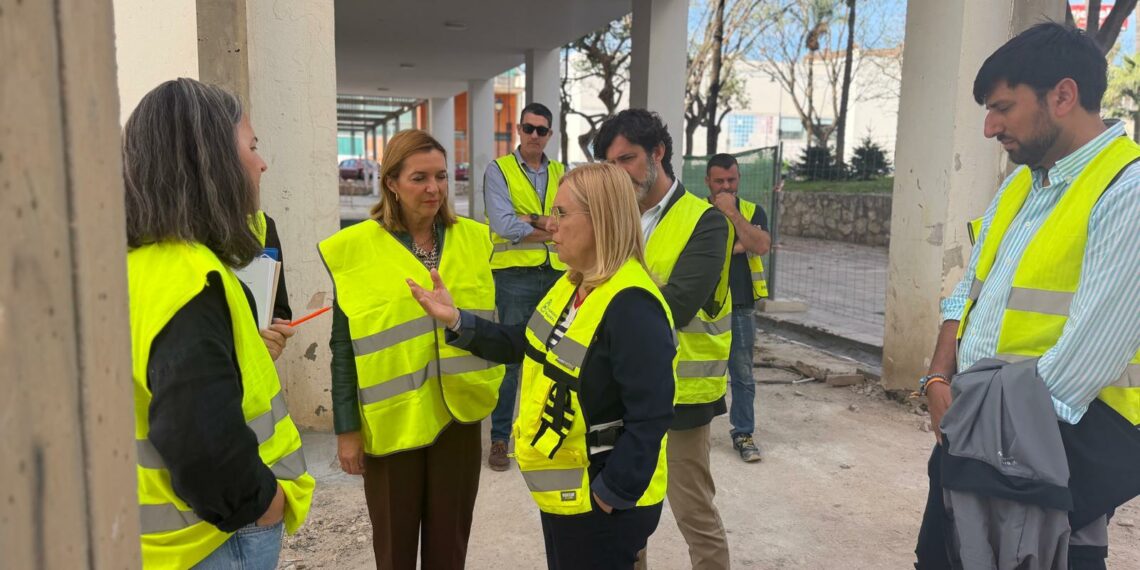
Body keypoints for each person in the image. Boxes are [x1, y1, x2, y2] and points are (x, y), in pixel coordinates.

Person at [915, 23, 1140, 570]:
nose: (990, 127)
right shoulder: (1020, 185)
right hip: (984, 433)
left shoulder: (1126, 191)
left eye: (1003, 108)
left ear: (1062, 96)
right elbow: (967, 291)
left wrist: (978, 427)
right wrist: (937, 378)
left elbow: (1083, 366)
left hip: (1058, 446)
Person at [408, 163, 676, 570]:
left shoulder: (633, 304)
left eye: (563, 213)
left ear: (601, 220)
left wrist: (610, 494)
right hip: (568, 495)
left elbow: (651, 415)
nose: (551, 225)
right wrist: (456, 319)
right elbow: (523, 340)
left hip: (600, 502)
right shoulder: (572, 284)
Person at [122, 78, 315, 569]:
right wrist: (262, 504)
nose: (262, 162)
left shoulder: (128, 264)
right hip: (211, 538)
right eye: (251, 146)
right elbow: (200, 441)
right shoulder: (189, 278)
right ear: (209, 162)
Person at [319, 129, 504, 570]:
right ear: (391, 184)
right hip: (391, 423)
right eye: (419, 177)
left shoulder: (477, 240)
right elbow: (343, 347)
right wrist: (347, 429)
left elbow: (495, 328)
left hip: (459, 417)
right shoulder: (355, 250)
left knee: (449, 550)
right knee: (394, 551)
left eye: (441, 176)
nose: (434, 188)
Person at [594, 109, 733, 570]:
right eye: (611, 166)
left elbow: (677, 304)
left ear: (657, 153)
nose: (620, 174)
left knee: (693, 511)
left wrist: (608, 321)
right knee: (627, 512)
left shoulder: (706, 222)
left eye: (627, 159)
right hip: (623, 390)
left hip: (683, 396)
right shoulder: (613, 220)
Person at [482, 102, 566, 471]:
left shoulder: (563, 173)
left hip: (560, 275)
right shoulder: (498, 171)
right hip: (514, 277)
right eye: (529, 128)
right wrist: (547, 224)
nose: (534, 135)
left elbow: (575, 220)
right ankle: (500, 438)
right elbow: (503, 225)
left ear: (550, 135)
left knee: (555, 358)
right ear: (518, 129)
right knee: (512, 358)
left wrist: (529, 220)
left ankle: (541, 433)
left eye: (542, 130)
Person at [704, 154, 771, 463]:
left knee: (742, 374)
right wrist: (739, 243)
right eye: (719, 181)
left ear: (738, 179)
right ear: (708, 181)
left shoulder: (752, 211)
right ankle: (695, 432)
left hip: (741, 306)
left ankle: (743, 432)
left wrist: (732, 215)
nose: (726, 186)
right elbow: (702, 252)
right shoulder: (697, 212)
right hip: (705, 307)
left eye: (731, 180)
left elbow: (760, 245)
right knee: (700, 372)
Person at [250, 209, 296, 360]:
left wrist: (274, 332)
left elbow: (279, 308)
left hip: (254, 372)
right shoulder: (182, 223)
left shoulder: (263, 224)